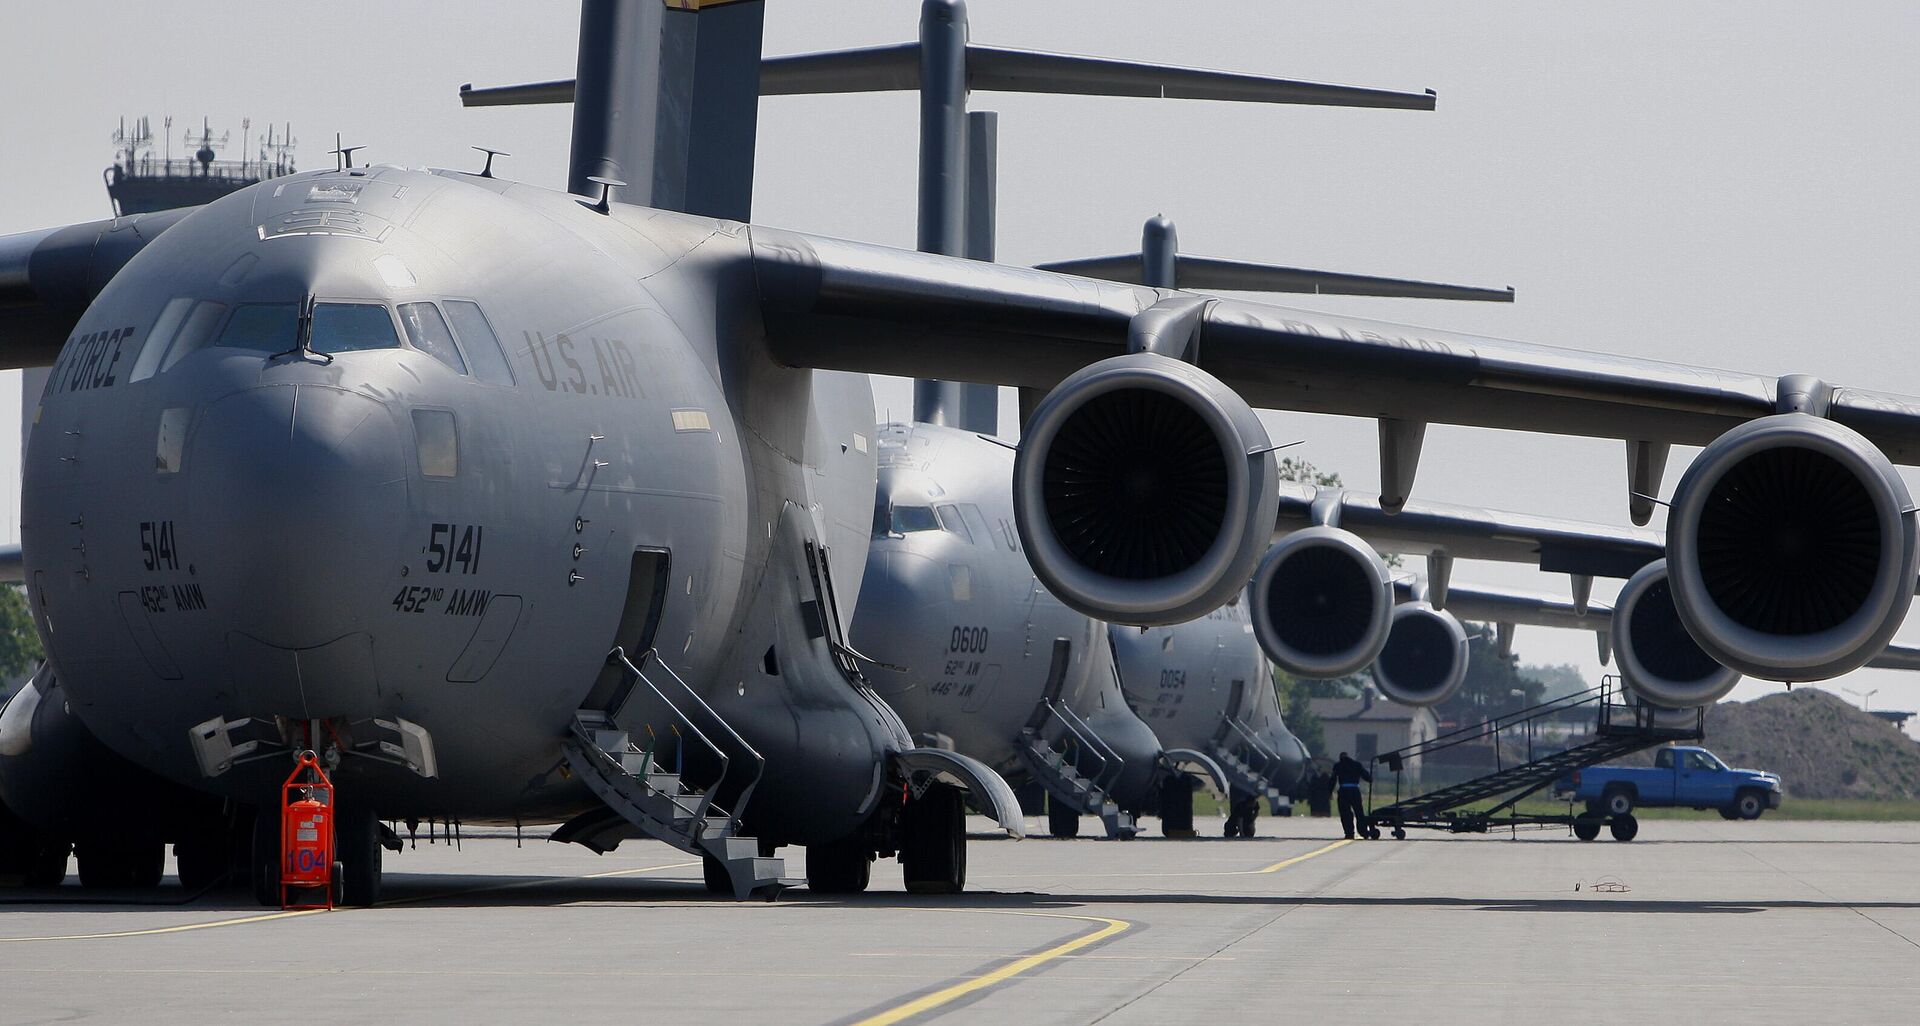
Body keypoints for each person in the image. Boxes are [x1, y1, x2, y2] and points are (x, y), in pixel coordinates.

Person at [1332, 752, 1372, 839]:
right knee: (1359, 812)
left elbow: (1333, 779)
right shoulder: (1356, 765)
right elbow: (1367, 776)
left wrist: (1329, 791)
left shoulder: (1338, 765)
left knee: (1345, 813)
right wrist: (1370, 779)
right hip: (1354, 790)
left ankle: (1349, 833)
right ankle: (1363, 832)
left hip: (1343, 791)